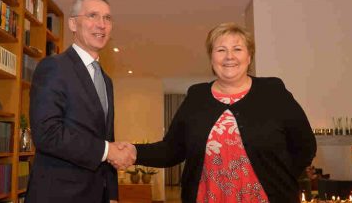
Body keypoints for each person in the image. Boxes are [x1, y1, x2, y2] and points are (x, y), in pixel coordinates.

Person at [131, 22, 317, 203]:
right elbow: (172, 150)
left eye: (237, 49)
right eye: (221, 50)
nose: (229, 57)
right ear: (212, 58)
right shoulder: (197, 96)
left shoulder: (273, 91)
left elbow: (305, 146)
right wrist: (132, 152)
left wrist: (280, 177)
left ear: (249, 57)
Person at [26, 0, 136, 203]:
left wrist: (111, 194)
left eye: (107, 18)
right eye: (92, 15)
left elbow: (106, 137)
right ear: (73, 24)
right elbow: (47, 133)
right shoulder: (53, 67)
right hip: (58, 195)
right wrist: (107, 150)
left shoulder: (106, 80)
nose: (101, 24)